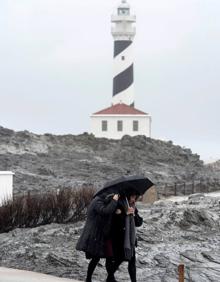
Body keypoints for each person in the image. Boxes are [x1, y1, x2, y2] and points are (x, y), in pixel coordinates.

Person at [76, 193, 119, 282]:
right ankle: (88, 279)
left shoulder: (102, 201)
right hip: (95, 235)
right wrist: (114, 201)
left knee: (109, 257)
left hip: (102, 234)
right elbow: (105, 211)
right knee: (96, 258)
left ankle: (111, 278)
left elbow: (108, 213)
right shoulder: (97, 202)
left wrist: (116, 210)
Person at [106, 189, 143, 282]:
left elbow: (139, 223)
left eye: (135, 198)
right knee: (119, 260)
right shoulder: (119, 205)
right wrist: (125, 214)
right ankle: (109, 277)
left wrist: (134, 214)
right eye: (132, 197)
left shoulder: (133, 207)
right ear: (128, 196)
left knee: (131, 262)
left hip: (130, 240)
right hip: (119, 239)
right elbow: (114, 222)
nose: (134, 200)